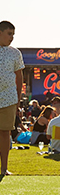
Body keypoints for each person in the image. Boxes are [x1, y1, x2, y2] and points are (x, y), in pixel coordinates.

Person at [0, 21, 25, 180]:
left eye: (13, 35)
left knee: (5, 133)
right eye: (9, 34)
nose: (12, 38)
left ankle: (4, 168)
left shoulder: (15, 53)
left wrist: (18, 99)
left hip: (9, 98)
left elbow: (20, 76)